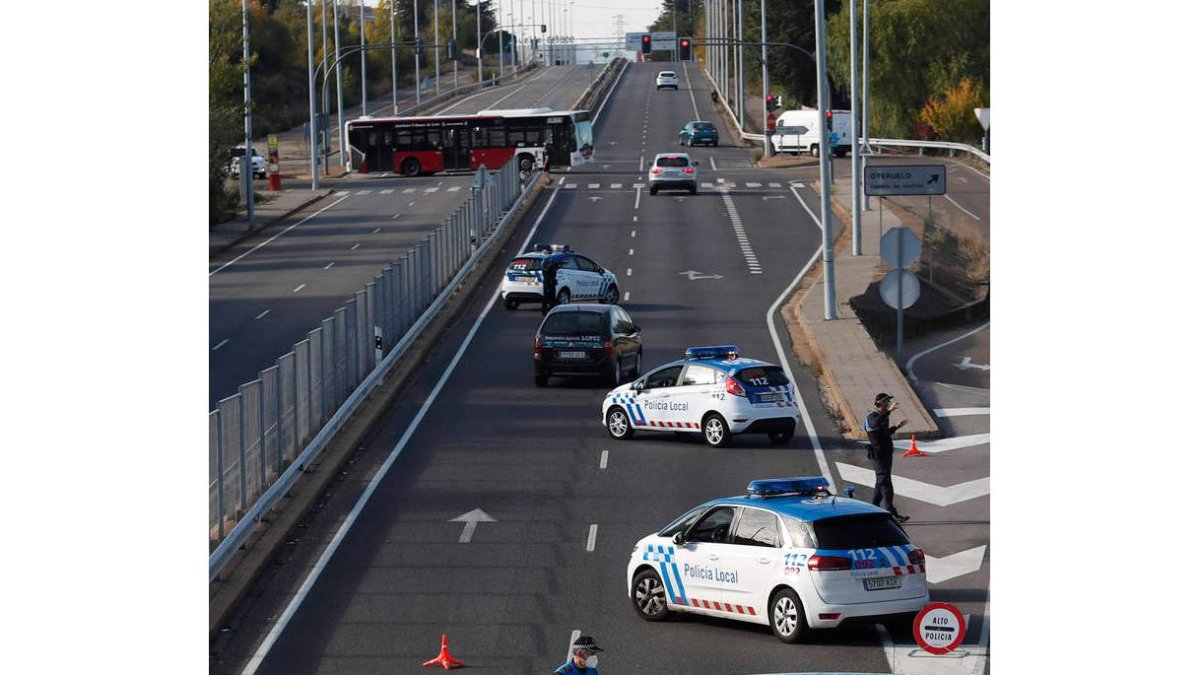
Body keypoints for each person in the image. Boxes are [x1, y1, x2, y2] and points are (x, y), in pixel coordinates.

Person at [864, 392, 910, 523]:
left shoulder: (883, 417)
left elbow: (884, 434)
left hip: (886, 454)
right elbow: (874, 424)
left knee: (881, 482)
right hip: (878, 455)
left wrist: (896, 427)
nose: (889, 403)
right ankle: (893, 513)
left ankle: (872, 510)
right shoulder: (872, 416)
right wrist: (889, 411)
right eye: (887, 401)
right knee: (885, 483)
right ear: (880, 403)